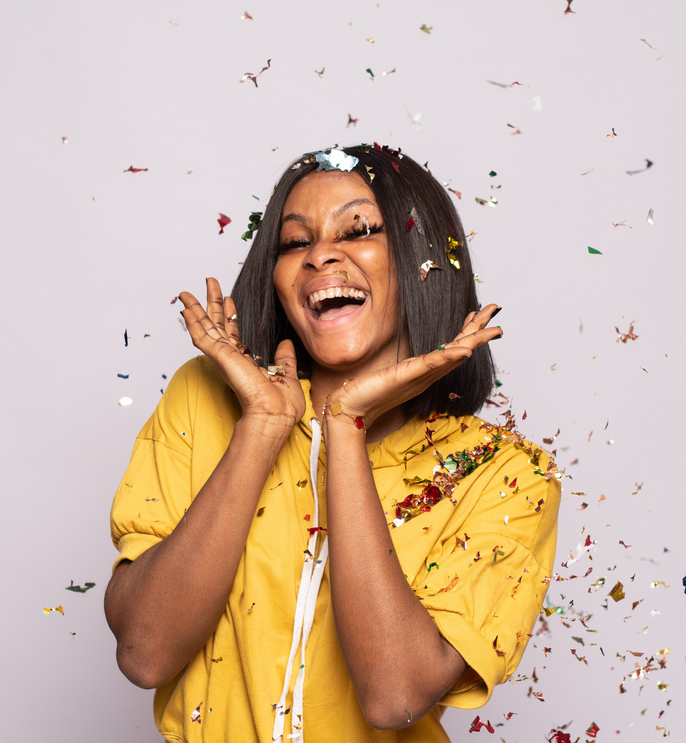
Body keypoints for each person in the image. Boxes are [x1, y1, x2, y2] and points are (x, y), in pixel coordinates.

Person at [105, 144, 561, 742]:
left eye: (361, 229)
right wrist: (262, 429)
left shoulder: (506, 473)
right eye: (295, 243)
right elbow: (145, 653)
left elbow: (394, 695)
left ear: (422, 259)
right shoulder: (205, 399)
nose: (321, 254)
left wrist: (344, 427)